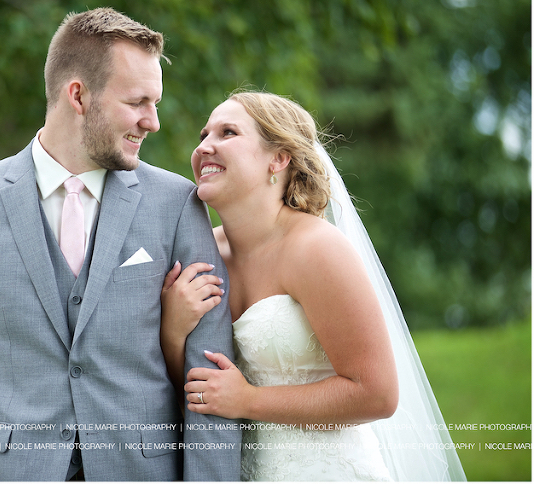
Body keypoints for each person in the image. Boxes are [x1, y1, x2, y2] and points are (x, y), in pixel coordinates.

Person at [0, 7, 240, 481]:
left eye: (156, 103)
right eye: (137, 102)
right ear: (78, 95)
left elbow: (208, 379)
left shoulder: (176, 203)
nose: (152, 122)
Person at [161, 91, 466, 481]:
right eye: (204, 135)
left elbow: (377, 394)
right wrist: (173, 331)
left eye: (228, 133)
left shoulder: (317, 248)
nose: (204, 146)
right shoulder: (200, 250)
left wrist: (249, 400)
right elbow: (196, 389)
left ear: (278, 159)